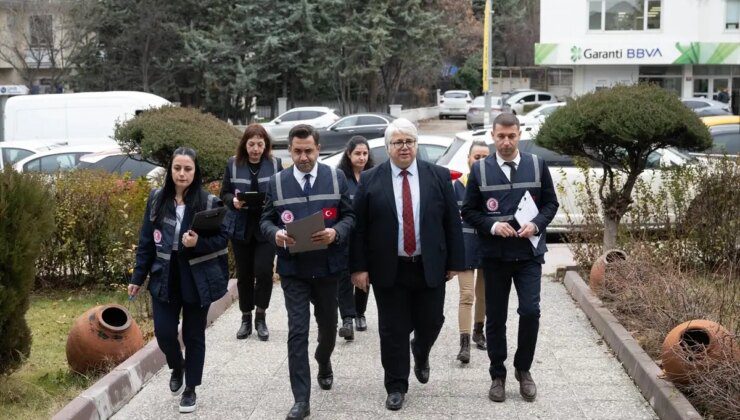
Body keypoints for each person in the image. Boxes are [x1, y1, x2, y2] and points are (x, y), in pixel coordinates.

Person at [350, 118, 465, 411]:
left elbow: (452, 222)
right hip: (390, 266)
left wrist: (455, 261)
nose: (404, 147)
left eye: (409, 141)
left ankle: (421, 350)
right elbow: (359, 227)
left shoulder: (438, 176)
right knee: (393, 329)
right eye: (398, 142)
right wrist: (358, 268)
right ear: (389, 147)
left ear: (417, 144)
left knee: (432, 321)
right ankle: (396, 385)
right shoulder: (371, 179)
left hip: (429, 264)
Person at [461, 113, 559, 403]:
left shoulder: (537, 165)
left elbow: (551, 203)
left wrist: (538, 223)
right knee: (496, 318)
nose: (506, 142)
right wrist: (492, 225)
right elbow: (469, 210)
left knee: (530, 312)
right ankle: (497, 374)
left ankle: (523, 369)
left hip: (528, 254)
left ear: (519, 135)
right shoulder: (479, 170)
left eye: (511, 136)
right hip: (495, 256)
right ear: (493, 135)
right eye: (500, 136)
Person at [260, 124, 354, 420]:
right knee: (297, 332)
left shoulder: (336, 178)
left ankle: (323, 360)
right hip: (294, 270)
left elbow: (351, 216)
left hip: (328, 269)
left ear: (318, 149)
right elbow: (265, 220)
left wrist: (335, 232)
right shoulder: (276, 182)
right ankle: (301, 399)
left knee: (328, 329)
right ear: (289, 151)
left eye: (309, 151)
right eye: (298, 151)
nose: (303, 157)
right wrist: (275, 233)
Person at [128, 147, 229, 414]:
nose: (182, 174)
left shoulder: (209, 202)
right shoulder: (157, 199)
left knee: (193, 334)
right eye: (177, 168)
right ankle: (177, 366)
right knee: (163, 332)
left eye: (188, 169)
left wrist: (198, 243)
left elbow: (223, 239)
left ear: (195, 173)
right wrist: (138, 277)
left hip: (196, 276)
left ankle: (191, 389)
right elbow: (146, 241)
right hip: (165, 274)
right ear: (170, 170)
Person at [220, 124, 282, 341]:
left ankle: (261, 316)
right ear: (244, 145)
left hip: (266, 226)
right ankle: (245, 318)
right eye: (251, 144)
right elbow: (224, 193)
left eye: (259, 144)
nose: (255, 149)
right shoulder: (233, 164)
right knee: (244, 274)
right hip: (241, 225)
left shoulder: (275, 164)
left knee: (264, 272)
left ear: (266, 145)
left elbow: (281, 191)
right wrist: (233, 201)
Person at [335, 136, 375, 340]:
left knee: (363, 276)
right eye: (357, 153)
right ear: (349, 155)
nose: (361, 157)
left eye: (365, 153)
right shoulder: (341, 177)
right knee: (344, 277)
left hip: (366, 236)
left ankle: (360, 312)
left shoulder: (372, 176)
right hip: (345, 236)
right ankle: (347, 319)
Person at [453, 141, 489, 364]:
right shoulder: (456, 186)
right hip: (465, 247)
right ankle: (464, 342)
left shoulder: (493, 185)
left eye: (486, 157)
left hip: (487, 247)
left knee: (484, 295)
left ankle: (478, 331)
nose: (481, 161)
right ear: (468, 159)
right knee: (467, 295)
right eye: (477, 157)